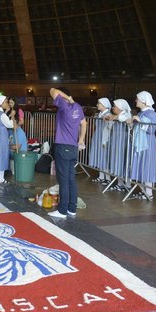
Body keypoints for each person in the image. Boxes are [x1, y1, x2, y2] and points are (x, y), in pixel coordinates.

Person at [48, 87, 86, 219]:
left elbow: (52, 90)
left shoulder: (64, 105)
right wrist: (80, 140)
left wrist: (66, 98)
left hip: (62, 147)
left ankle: (62, 210)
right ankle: (72, 208)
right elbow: (84, 123)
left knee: (63, 180)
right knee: (71, 179)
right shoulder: (78, 107)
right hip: (73, 147)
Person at [128, 91, 156, 200]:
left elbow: (152, 129)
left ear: (144, 101)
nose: (136, 101)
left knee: (147, 166)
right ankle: (144, 191)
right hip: (140, 142)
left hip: (147, 143)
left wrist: (139, 121)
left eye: (138, 99)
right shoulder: (141, 113)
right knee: (142, 166)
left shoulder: (152, 114)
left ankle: (149, 192)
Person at [105, 99, 132, 191]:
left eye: (115, 106)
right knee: (118, 161)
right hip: (117, 141)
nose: (113, 108)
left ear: (120, 108)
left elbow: (123, 119)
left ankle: (127, 184)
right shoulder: (116, 115)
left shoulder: (126, 114)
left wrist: (114, 117)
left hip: (123, 142)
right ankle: (120, 183)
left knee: (124, 162)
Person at [0, 95, 15, 184]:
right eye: (5, 102)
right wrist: (12, 116)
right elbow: (10, 125)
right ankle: (1, 178)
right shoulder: (2, 115)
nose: (7, 103)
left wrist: (7, 111)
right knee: (2, 154)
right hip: (1, 134)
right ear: (1, 103)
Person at [89, 98, 112, 184]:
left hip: (104, 137)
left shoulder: (108, 114)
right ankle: (101, 176)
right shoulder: (100, 114)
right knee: (100, 156)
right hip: (98, 135)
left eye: (99, 104)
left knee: (104, 157)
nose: (97, 105)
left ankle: (108, 178)